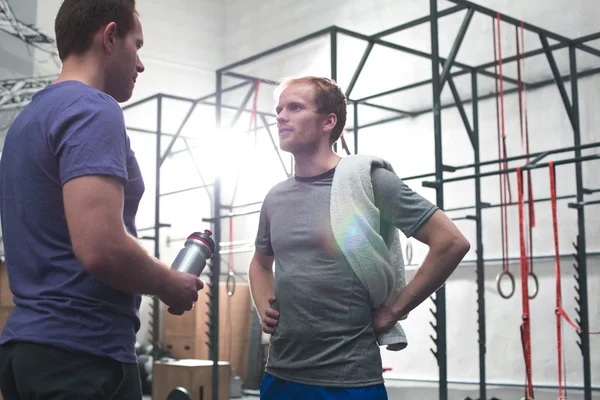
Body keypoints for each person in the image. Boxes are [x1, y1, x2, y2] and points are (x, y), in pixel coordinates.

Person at [0, 1, 203, 398]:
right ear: (109, 37)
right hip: (81, 355)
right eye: (137, 45)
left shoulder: (25, 122)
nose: (141, 64)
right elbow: (101, 247)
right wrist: (168, 283)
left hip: (32, 350)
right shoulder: (93, 109)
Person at [248, 76, 471, 400]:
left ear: (329, 122)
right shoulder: (275, 197)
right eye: (279, 109)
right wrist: (262, 303)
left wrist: (395, 309)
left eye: (295, 107)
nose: (281, 116)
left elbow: (451, 243)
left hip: (349, 380)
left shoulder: (368, 182)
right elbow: (259, 263)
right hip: (281, 375)